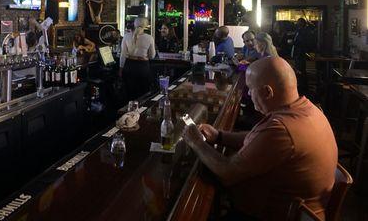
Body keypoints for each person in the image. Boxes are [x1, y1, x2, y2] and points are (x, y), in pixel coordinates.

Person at [183, 57, 338, 220]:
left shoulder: (281, 129)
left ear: (267, 92)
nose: (248, 94)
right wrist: (220, 136)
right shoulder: (308, 109)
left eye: (250, 89)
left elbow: (227, 173)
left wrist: (197, 143)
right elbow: (260, 140)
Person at [120, 17, 156, 99]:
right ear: (146, 25)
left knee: (129, 93)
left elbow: (123, 55)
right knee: (143, 93)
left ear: (134, 24)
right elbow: (152, 56)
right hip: (143, 67)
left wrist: (120, 69)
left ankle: (128, 111)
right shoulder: (149, 38)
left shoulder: (126, 36)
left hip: (129, 66)